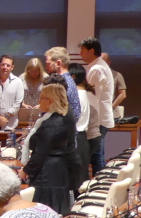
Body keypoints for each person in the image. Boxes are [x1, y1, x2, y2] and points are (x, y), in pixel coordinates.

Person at [17, 83, 77, 215]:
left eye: (41, 98)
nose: (38, 102)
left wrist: (26, 171)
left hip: (47, 175)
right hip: (58, 171)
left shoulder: (50, 124)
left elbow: (40, 153)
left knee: (43, 214)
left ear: (49, 101)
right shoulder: (63, 119)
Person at [79, 37, 114, 175]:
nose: (80, 53)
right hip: (101, 116)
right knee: (97, 154)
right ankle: (98, 183)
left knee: (96, 155)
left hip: (98, 117)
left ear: (91, 51)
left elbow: (93, 97)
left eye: (82, 50)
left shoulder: (97, 68)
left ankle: (98, 184)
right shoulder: (98, 66)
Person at [69, 63, 99, 189]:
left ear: (73, 77)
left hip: (78, 138)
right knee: (81, 178)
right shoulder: (86, 93)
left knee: (76, 182)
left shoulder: (76, 95)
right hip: (83, 138)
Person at [43, 46, 81, 121]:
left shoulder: (61, 83)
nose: (46, 67)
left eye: (48, 64)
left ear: (58, 63)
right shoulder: (69, 80)